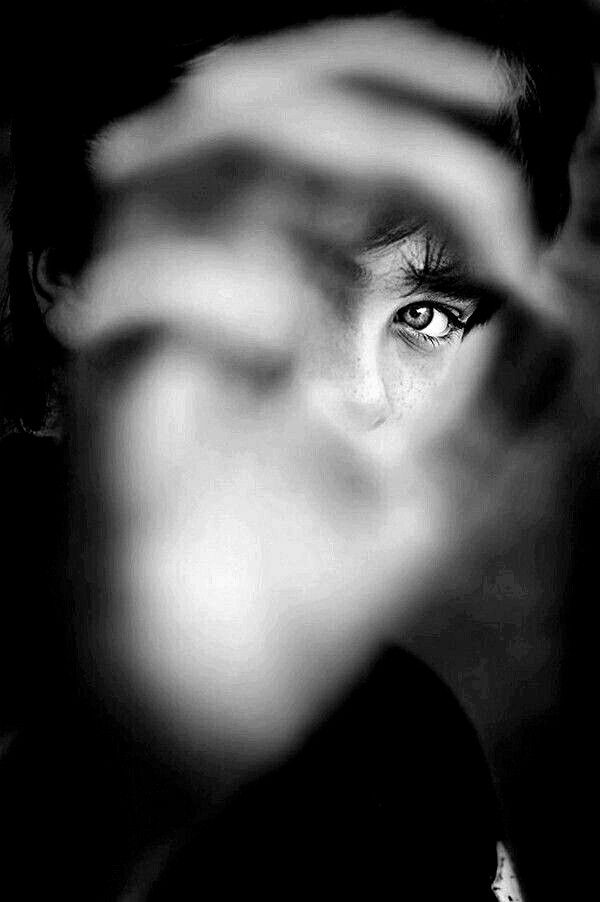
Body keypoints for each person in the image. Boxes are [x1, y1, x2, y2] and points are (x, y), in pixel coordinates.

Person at [0, 3, 597, 899]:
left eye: (427, 315)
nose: (361, 394)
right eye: (298, 270)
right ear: (75, 268)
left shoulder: (409, 745)